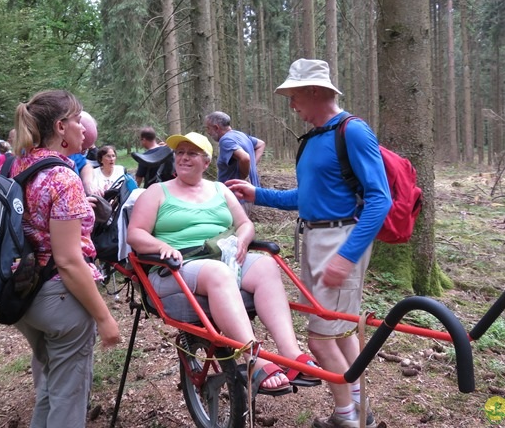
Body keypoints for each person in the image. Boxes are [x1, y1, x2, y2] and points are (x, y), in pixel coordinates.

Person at [227, 59, 391, 428]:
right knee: (343, 333)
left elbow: (380, 199)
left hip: (341, 240)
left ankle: (345, 418)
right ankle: (361, 413)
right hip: (316, 238)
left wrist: (346, 258)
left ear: (317, 91)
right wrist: (258, 194)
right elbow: (309, 197)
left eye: (295, 96)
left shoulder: (353, 132)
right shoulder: (315, 139)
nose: (292, 105)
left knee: (319, 341)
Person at [127, 131, 320, 398]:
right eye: (179, 152)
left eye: (191, 153)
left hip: (222, 257)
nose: (183, 157)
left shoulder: (219, 189)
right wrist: (161, 246)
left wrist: (242, 240)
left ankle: (290, 353)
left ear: (206, 162)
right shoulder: (157, 192)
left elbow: (245, 224)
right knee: (217, 272)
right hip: (175, 266)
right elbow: (135, 234)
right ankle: (256, 360)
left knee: (265, 266)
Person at [9, 89, 120, 427]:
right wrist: (104, 318)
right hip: (60, 299)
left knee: (50, 390)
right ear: (60, 127)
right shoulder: (63, 177)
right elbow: (69, 261)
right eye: (77, 120)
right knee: (69, 401)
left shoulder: (23, 165)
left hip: (24, 294)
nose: (84, 130)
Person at [204, 111, 265, 186]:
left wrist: (244, 177)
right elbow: (261, 144)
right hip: (251, 192)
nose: (208, 132)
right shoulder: (240, 135)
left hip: (238, 194)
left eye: (208, 128)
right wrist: (252, 165)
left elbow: (245, 158)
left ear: (216, 128)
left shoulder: (226, 140)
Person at [69, 112, 98, 194]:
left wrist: (87, 183)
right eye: (82, 148)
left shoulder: (73, 153)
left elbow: (85, 165)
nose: (81, 153)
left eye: (85, 150)